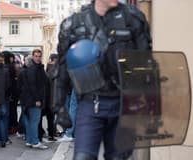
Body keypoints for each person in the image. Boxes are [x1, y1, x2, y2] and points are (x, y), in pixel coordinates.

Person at [53, 0, 151, 160]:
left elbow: (146, 63)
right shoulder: (74, 24)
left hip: (124, 105)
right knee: (83, 157)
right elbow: (62, 67)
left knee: (119, 158)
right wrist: (59, 107)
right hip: (91, 103)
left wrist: (148, 103)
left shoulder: (133, 20)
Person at [24, 49, 48, 149]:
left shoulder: (36, 68)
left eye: (39, 56)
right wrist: (37, 99)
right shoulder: (34, 69)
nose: (38, 58)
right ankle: (34, 141)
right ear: (33, 57)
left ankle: (30, 140)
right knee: (34, 121)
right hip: (34, 99)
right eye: (36, 56)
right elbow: (32, 86)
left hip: (32, 99)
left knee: (31, 121)